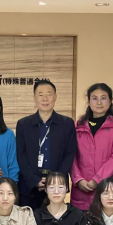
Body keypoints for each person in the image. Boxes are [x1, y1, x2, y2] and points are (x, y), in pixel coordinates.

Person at [16, 80, 77, 210]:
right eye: (40, 94)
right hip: (29, 187)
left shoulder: (67, 124)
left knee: (55, 221)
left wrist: (55, 181)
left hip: (57, 187)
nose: (45, 99)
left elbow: (70, 153)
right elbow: (21, 155)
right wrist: (34, 180)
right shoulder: (23, 124)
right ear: (34, 97)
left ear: (55, 97)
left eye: (49, 94)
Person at [70, 83, 113, 210]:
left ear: (110, 101)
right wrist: (78, 179)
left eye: (103, 98)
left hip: (108, 189)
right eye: (94, 98)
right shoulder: (78, 125)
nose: (99, 102)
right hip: (81, 189)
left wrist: (97, 179)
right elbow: (71, 155)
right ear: (89, 101)